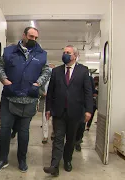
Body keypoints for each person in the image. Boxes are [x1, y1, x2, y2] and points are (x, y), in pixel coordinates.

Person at [0, 27, 50, 173]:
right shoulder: (9, 51)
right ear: (23, 35)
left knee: (24, 132)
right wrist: (5, 81)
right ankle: (2, 159)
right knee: (5, 130)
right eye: (31, 36)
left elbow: (46, 71)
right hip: (9, 97)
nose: (33, 40)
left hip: (29, 99)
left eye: (36, 37)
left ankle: (22, 160)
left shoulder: (41, 54)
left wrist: (38, 84)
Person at [43, 45, 93, 177]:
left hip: (76, 113)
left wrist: (88, 110)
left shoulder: (83, 71)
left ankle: (68, 160)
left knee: (70, 140)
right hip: (59, 112)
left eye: (68, 53)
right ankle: (54, 165)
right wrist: (48, 108)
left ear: (75, 56)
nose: (65, 54)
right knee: (58, 139)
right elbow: (50, 92)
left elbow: (88, 92)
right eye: (64, 52)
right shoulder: (57, 71)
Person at [74, 74, 96, 152]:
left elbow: (92, 93)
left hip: (83, 105)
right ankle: (72, 141)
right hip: (72, 104)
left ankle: (78, 142)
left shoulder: (89, 79)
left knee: (81, 124)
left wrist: (89, 109)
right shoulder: (71, 76)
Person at [38, 63, 55, 144]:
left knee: (54, 118)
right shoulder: (42, 80)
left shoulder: (57, 79)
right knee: (45, 119)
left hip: (54, 101)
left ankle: (53, 132)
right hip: (45, 100)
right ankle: (45, 136)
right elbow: (38, 89)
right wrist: (42, 93)